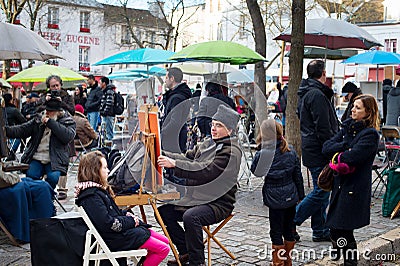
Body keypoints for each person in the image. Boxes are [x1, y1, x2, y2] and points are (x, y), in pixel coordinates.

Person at [157, 104, 242, 266]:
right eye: (213, 124)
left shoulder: (231, 151)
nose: (213, 129)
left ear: (230, 130)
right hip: (196, 198)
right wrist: (161, 154)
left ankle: (197, 262)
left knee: (191, 217)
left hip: (218, 202)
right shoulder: (208, 143)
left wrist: (174, 164)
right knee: (163, 213)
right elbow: (187, 158)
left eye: (219, 126)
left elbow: (206, 172)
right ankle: (186, 251)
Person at [75, 151, 170, 266]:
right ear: (94, 171)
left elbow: (114, 213)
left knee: (165, 241)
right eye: (104, 168)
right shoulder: (91, 197)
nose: (108, 171)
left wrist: (128, 215)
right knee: (163, 249)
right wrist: (131, 221)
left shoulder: (97, 191)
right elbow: (109, 223)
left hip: (120, 234)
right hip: (116, 238)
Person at [322, 94, 380, 265]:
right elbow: (326, 148)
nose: (353, 110)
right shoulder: (347, 128)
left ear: (368, 112)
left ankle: (350, 262)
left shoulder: (370, 135)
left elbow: (353, 156)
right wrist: (345, 146)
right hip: (339, 186)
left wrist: (343, 151)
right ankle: (339, 249)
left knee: (345, 230)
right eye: (353, 106)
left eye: (358, 107)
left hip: (354, 188)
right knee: (333, 227)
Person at [294, 59, 339, 242]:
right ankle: (291, 221)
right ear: (323, 73)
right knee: (322, 190)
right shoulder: (316, 95)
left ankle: (320, 229)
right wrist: (331, 148)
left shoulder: (307, 93)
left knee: (323, 188)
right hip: (319, 149)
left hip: (313, 147)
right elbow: (323, 127)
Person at [251, 120, 304, 266]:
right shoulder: (290, 150)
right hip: (290, 195)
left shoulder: (264, 153)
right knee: (288, 229)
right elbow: (297, 176)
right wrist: (300, 195)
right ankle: (287, 261)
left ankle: (278, 262)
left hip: (274, 197)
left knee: (276, 231)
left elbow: (256, 172)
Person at [5, 98, 76, 190]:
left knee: (53, 178)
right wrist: (5, 130)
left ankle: (47, 197)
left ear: (57, 112)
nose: (47, 113)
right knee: (31, 176)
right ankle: (35, 198)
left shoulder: (67, 121)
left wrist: (51, 123)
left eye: (50, 111)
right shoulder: (38, 119)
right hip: (36, 157)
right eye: (46, 110)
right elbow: (22, 130)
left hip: (54, 159)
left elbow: (67, 137)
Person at [161, 67, 192, 153]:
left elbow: (175, 122)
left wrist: (162, 133)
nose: (165, 80)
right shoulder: (177, 94)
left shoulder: (177, 98)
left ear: (172, 78)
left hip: (173, 140)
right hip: (177, 138)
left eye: (166, 77)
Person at [3, 93, 27, 158]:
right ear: (11, 100)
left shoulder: (2, 109)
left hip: (3, 133)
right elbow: (23, 121)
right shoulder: (14, 110)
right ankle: (11, 154)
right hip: (12, 133)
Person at [99, 77, 116, 142]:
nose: (99, 84)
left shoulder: (109, 91)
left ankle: (111, 145)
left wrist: (104, 112)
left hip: (108, 114)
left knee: (109, 131)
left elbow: (109, 103)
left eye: (100, 83)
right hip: (106, 114)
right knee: (106, 130)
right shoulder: (105, 91)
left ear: (104, 83)